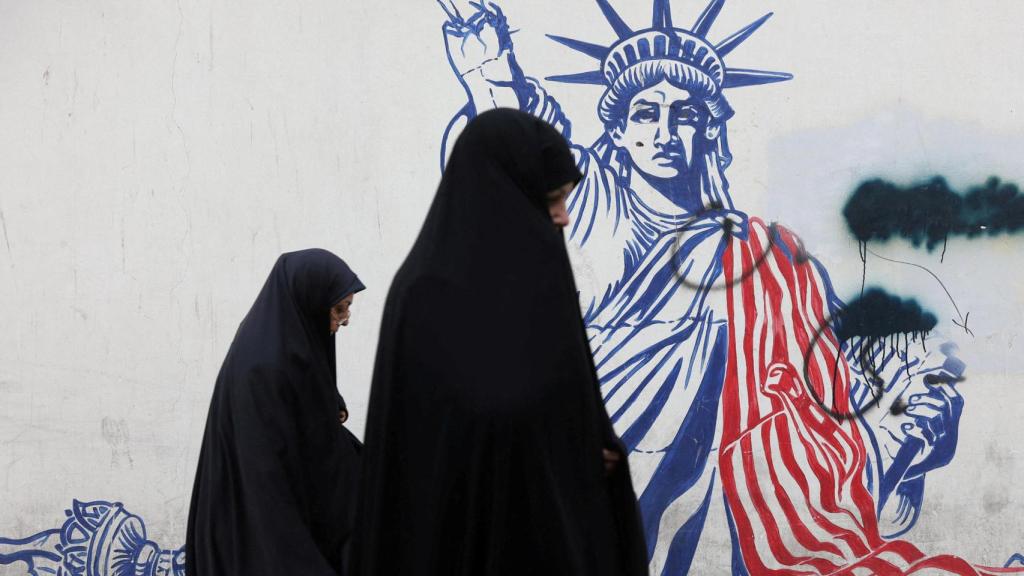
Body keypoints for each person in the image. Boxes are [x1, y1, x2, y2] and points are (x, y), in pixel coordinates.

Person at [351, 108, 648, 576]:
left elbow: (571, 399)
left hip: (550, 540)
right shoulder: (423, 294)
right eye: (553, 198)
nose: (563, 217)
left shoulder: (545, 286)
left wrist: (591, 445)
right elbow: (424, 447)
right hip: (453, 545)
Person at [186, 248, 365, 576]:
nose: (345, 319)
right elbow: (265, 477)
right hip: (259, 535)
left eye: (347, 308)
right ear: (310, 302)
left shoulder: (287, 355)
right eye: (339, 309)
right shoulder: (262, 369)